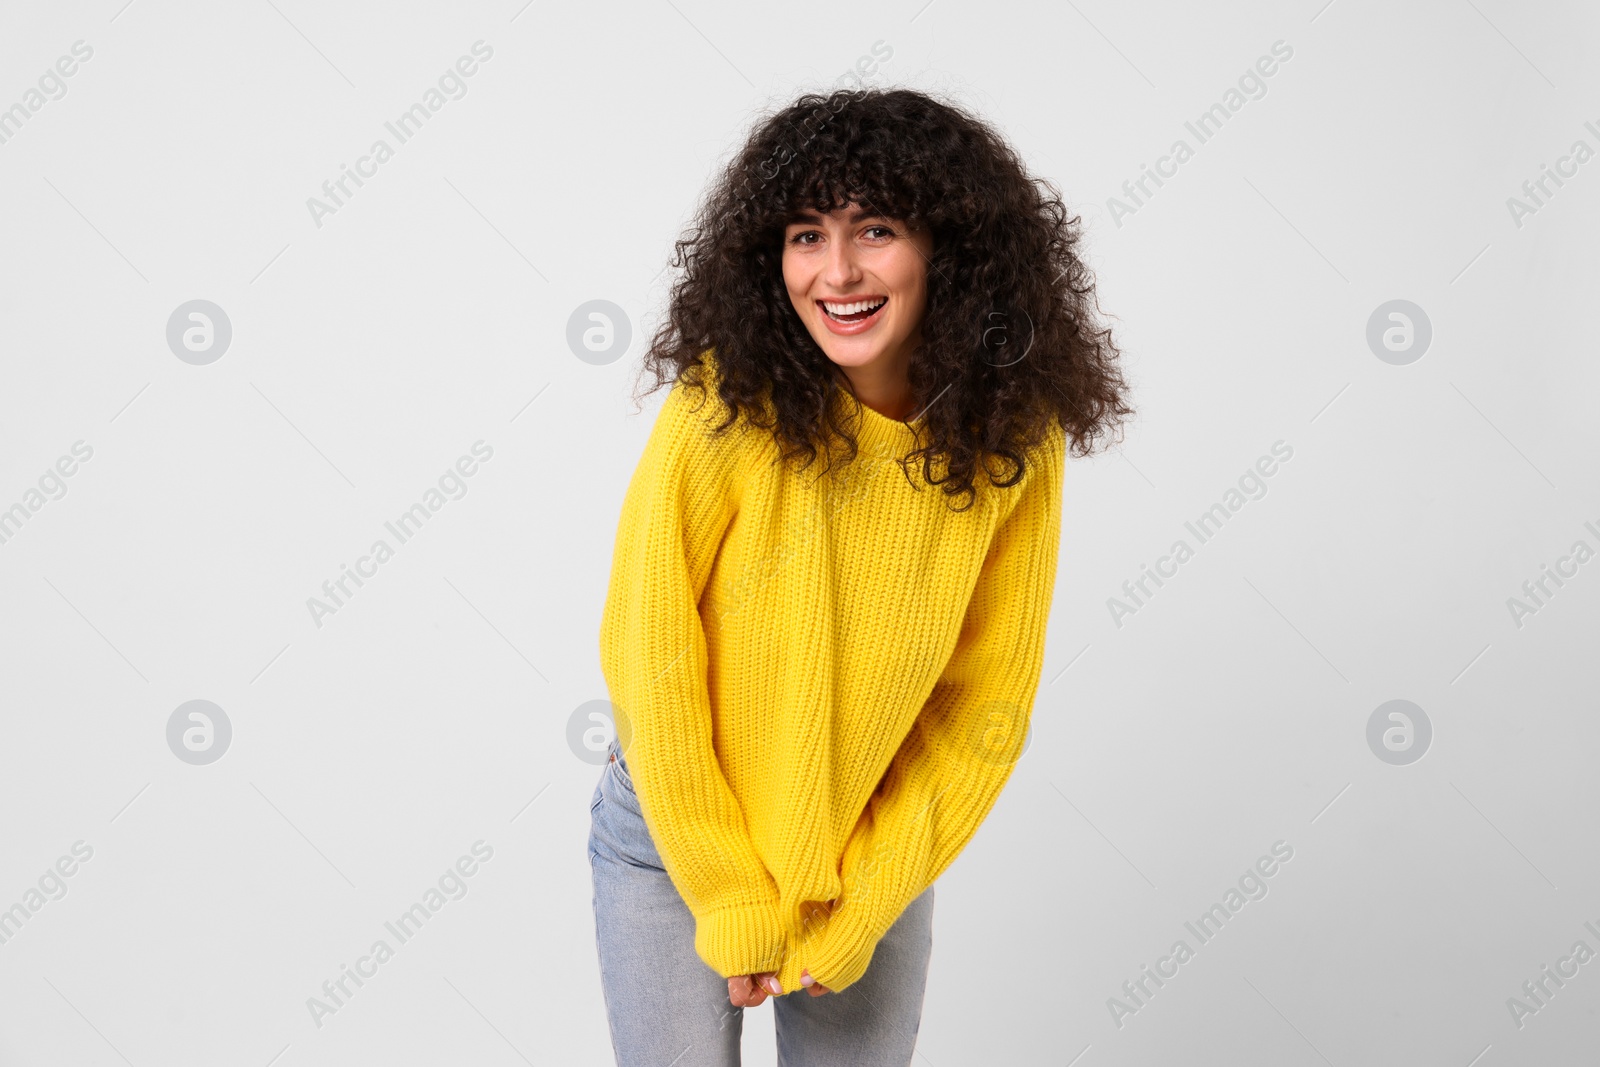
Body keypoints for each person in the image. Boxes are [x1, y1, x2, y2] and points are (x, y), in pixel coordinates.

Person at [589, 86, 1131, 1065]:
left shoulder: (1015, 436)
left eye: (875, 230)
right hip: (678, 834)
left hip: (867, 844)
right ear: (772, 258)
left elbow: (983, 709)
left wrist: (864, 902)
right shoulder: (727, 402)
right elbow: (647, 644)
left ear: (947, 251)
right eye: (805, 235)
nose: (836, 271)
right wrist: (726, 887)